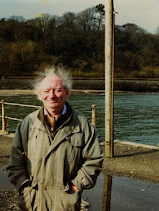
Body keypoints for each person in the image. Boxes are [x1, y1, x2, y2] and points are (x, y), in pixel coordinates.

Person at [6, 67, 104, 210]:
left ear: (67, 93)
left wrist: (77, 185)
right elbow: (15, 164)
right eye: (46, 91)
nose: (51, 96)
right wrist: (25, 188)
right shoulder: (28, 123)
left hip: (65, 204)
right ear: (39, 94)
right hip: (34, 203)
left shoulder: (82, 124)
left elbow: (94, 159)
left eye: (57, 90)